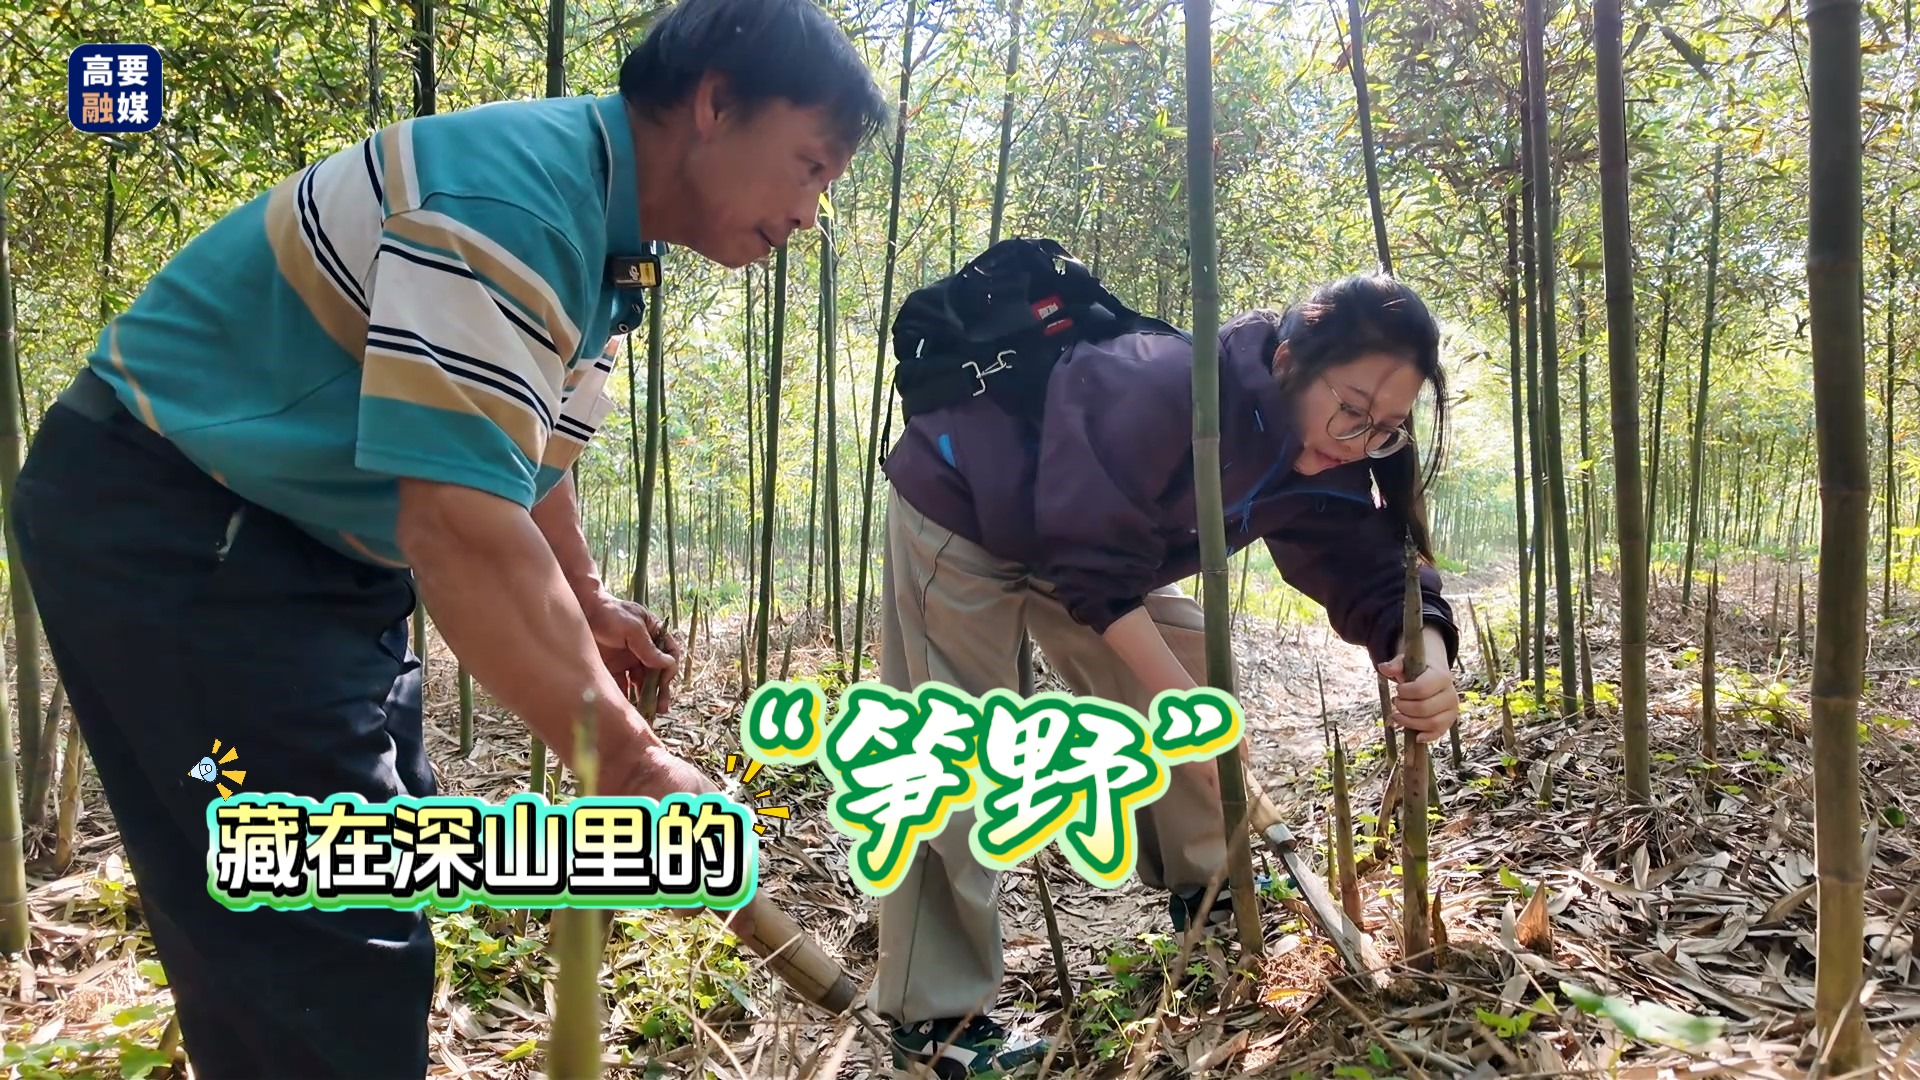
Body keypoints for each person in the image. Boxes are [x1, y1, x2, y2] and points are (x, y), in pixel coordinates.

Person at [7, 1, 888, 1076]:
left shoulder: (604, 237)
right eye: (809, 166)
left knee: (364, 882)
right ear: (715, 104)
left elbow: (514, 455)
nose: (810, 213)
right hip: (183, 527)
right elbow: (460, 524)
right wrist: (628, 758)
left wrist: (586, 597)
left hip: (302, 546)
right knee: (320, 938)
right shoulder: (509, 204)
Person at [869, 272, 1465, 1076]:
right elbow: (1093, 573)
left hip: (1102, 549)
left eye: (1386, 429)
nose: (1360, 441)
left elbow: (1371, 567)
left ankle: (1213, 889)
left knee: (1189, 668)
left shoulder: (1324, 451)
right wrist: (1187, 711)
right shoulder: (1158, 382)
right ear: (1289, 360)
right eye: (1352, 409)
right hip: (966, 510)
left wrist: (1428, 651)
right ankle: (937, 1023)